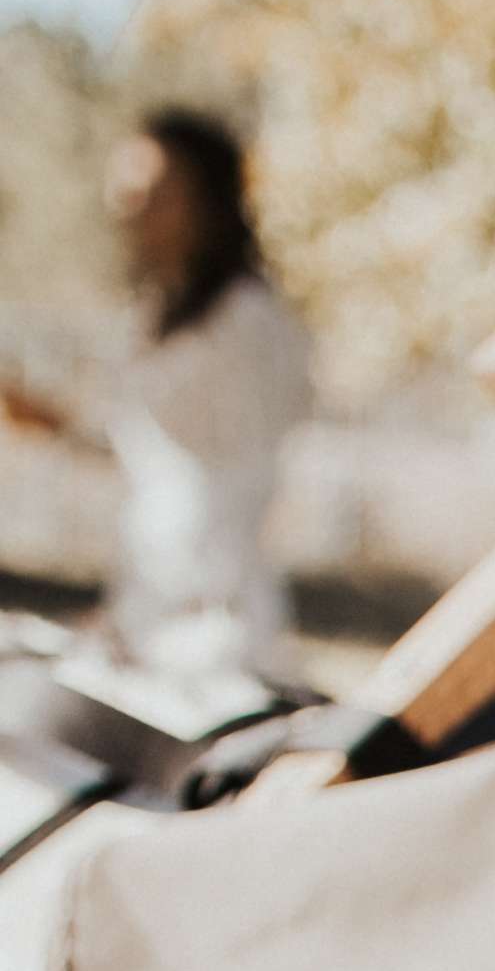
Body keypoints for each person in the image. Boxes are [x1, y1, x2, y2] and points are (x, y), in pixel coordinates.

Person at [1, 109, 311, 686]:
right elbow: (149, 457)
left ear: (210, 203)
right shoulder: (153, 318)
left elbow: (222, 470)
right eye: (124, 192)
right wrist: (55, 424)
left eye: (154, 193)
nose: (130, 208)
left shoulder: (249, 322)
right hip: (150, 622)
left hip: (214, 638)